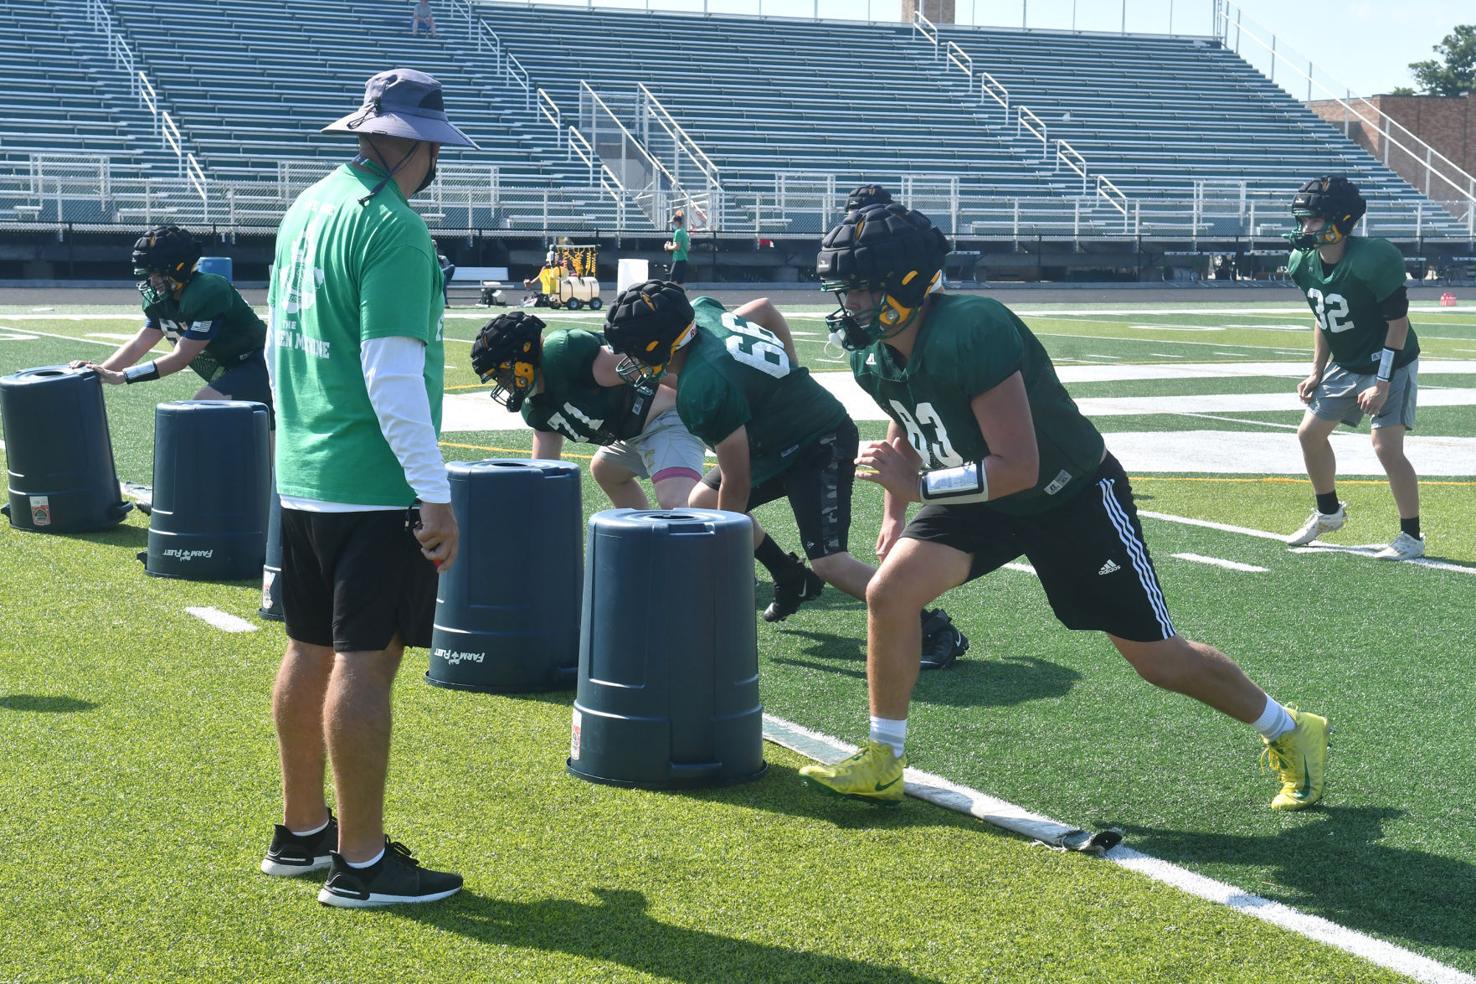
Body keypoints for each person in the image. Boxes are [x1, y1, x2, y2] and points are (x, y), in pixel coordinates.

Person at [797, 202, 1330, 810]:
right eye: (846, 292)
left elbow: (1018, 466)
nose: (852, 306)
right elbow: (909, 418)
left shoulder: (972, 327)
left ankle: (1291, 729)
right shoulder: (874, 352)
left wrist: (916, 491)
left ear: (909, 284)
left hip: (1066, 494)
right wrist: (897, 509)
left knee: (1157, 659)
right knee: (888, 592)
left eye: (863, 291)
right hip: (981, 492)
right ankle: (885, 756)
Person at [262, 68, 472, 908]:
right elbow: (392, 376)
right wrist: (436, 494)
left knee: (309, 649)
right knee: (366, 662)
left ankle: (302, 832)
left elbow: (281, 346)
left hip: (303, 471)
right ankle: (361, 862)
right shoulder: (393, 230)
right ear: (418, 145)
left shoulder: (308, 206)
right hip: (370, 482)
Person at [603, 280, 970, 665]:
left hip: (818, 440)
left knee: (830, 563)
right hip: (775, 439)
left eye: (633, 350)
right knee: (701, 501)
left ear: (660, 344)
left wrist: (719, 558)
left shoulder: (701, 386)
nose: (628, 361)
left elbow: (738, 482)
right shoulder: (703, 312)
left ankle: (933, 628)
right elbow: (763, 308)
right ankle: (790, 576)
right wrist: (792, 370)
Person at [1282, 176, 1424, 560]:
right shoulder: (1302, 262)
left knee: (1386, 447)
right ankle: (1329, 513)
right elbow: (1324, 317)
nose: (1305, 229)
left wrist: (1381, 383)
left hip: (1389, 359)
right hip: (1348, 361)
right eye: (1303, 220)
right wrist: (1316, 370)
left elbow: (1398, 325)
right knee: (1309, 435)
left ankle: (1411, 536)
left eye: (1314, 221)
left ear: (1340, 221)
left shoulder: (1372, 259)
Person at [469, 310, 711, 512]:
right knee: (606, 470)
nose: (502, 384)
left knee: (679, 504)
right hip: (633, 432)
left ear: (520, 358)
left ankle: (733, 550)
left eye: (501, 374)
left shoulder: (565, 355)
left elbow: (649, 369)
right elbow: (543, 471)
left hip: (666, 418)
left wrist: (707, 403)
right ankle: (643, 541)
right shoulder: (535, 407)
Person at [72, 226, 270, 410]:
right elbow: (139, 344)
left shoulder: (208, 292)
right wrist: (97, 372)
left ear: (179, 268)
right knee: (268, 441)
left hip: (260, 362)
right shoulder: (166, 300)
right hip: (235, 367)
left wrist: (124, 376)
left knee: (204, 406)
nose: (152, 280)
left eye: (158, 273)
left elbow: (180, 358)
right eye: (149, 273)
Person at [664, 212, 690, 284]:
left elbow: (677, 247)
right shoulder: (684, 231)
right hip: (684, 260)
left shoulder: (678, 232)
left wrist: (668, 247)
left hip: (678, 259)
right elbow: (688, 248)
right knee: (680, 283)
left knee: (671, 282)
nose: (672, 225)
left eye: (673, 223)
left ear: (677, 222)